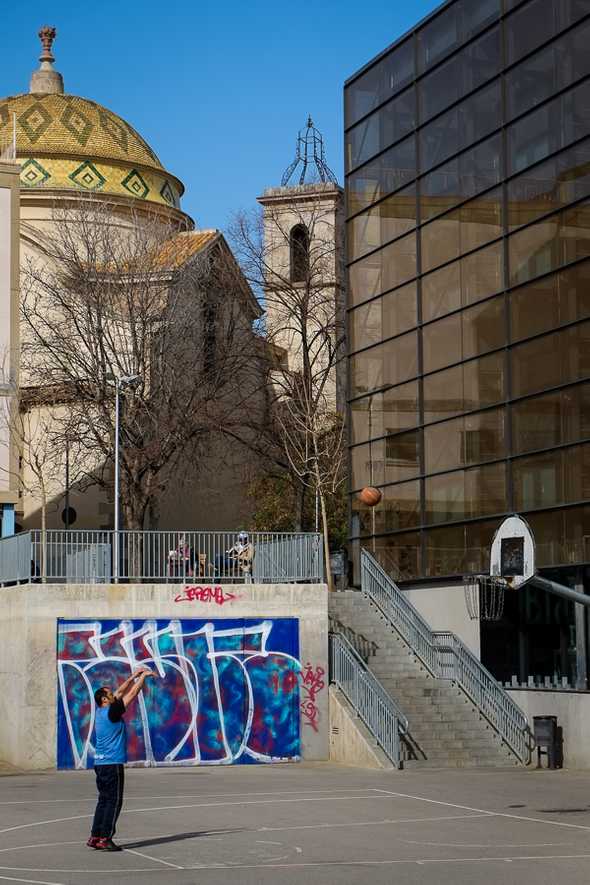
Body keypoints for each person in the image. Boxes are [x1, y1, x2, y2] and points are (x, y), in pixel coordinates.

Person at [87, 667, 155, 851]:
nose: (114, 695)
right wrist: (143, 678)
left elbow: (119, 691)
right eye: (109, 695)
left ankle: (95, 835)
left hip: (100, 764)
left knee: (103, 800)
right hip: (112, 764)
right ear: (104, 700)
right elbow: (132, 693)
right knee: (114, 801)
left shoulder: (101, 712)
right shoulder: (112, 712)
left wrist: (133, 676)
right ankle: (105, 838)